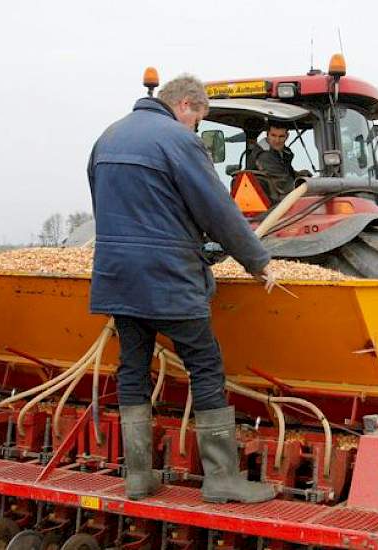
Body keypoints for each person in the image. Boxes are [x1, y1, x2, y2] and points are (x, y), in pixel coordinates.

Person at [87, 74, 278, 504]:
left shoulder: (107, 138)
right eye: (198, 121)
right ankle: (221, 478)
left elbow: (106, 207)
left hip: (118, 278)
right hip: (169, 279)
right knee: (205, 364)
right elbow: (218, 209)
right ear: (187, 105)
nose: (195, 129)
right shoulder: (178, 140)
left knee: (133, 369)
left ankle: (138, 476)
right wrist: (258, 261)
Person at [254, 123, 298, 203]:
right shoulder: (264, 156)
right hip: (270, 205)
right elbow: (285, 185)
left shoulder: (283, 153)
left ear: (287, 136)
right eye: (273, 135)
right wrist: (309, 187)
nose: (277, 141)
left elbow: (284, 172)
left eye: (281, 136)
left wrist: (299, 175)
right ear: (267, 134)